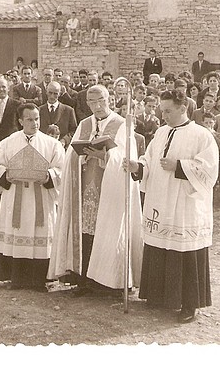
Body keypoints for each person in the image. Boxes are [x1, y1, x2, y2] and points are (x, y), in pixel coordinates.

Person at [125, 90, 219, 323]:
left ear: (183, 108)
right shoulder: (161, 132)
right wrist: (137, 166)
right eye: (162, 110)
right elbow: (148, 159)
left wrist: (179, 166)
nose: (163, 114)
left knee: (184, 248)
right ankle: (158, 296)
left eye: (168, 110)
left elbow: (209, 170)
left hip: (185, 203)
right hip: (160, 199)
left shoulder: (201, 135)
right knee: (159, 245)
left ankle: (189, 305)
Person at [48, 83, 142, 295]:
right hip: (84, 186)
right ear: (87, 103)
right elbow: (71, 154)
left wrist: (105, 156)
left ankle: (109, 283)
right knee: (85, 231)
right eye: (92, 102)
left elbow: (128, 158)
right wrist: (80, 155)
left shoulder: (121, 124)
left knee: (107, 231)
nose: (97, 106)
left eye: (101, 101)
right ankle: (84, 280)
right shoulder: (84, 124)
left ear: (110, 100)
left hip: (110, 190)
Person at [0, 103, 65, 292]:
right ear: (21, 121)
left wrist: (49, 176)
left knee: (40, 234)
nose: (34, 123)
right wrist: (6, 175)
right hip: (16, 196)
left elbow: (62, 170)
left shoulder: (52, 144)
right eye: (29, 119)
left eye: (37, 119)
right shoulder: (8, 142)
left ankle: (40, 279)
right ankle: (16, 278)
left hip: (41, 197)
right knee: (18, 232)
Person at [39, 81, 78, 148]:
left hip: (62, 148)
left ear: (60, 94)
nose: (52, 96)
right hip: (43, 147)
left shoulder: (69, 110)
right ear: (46, 92)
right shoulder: (39, 110)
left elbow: (74, 131)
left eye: (55, 94)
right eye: (50, 93)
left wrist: (64, 140)